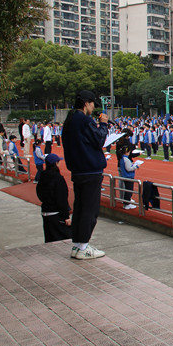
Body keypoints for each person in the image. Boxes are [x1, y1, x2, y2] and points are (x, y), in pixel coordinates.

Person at [62, 90, 109, 260]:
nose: (92, 108)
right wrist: (103, 125)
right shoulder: (83, 119)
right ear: (86, 103)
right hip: (90, 170)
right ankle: (83, 246)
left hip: (79, 169)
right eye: (92, 104)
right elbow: (99, 140)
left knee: (80, 208)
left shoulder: (70, 120)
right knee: (90, 209)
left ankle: (78, 245)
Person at [35, 153, 72, 243]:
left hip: (45, 211)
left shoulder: (43, 176)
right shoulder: (58, 178)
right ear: (56, 163)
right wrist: (66, 216)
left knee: (49, 239)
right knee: (64, 238)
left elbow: (39, 192)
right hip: (56, 214)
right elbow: (61, 198)